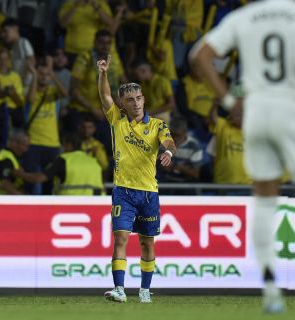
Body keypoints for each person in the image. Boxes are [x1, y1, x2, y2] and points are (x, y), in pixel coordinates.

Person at [190, 0, 295, 314]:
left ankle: (270, 292)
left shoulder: (245, 16)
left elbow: (200, 55)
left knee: (265, 198)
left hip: (258, 112)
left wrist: (227, 101)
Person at [97, 55, 175, 303]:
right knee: (120, 237)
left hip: (148, 192)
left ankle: (144, 291)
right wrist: (103, 74)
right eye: (130, 100)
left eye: (139, 98)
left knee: (147, 244)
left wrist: (168, 152)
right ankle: (119, 290)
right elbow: (104, 96)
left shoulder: (157, 125)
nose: (136, 103)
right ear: (123, 103)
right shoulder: (117, 120)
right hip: (123, 190)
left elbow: (169, 141)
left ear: (144, 99)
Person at [22, 58, 68, 195]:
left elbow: (64, 94)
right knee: (29, 181)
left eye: (46, 74)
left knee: (49, 182)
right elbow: (29, 100)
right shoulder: (29, 89)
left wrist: (53, 75)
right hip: (33, 143)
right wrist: (34, 76)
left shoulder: (52, 90)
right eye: (41, 74)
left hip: (52, 143)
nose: (44, 77)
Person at [13, 132, 104, 195]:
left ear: (69, 145)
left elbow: (38, 178)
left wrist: (20, 174)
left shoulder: (63, 160)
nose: (62, 148)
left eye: (63, 144)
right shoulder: (93, 161)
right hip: (97, 206)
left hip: (71, 204)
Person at [0, 129, 30, 195]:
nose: (25, 149)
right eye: (23, 145)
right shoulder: (5, 158)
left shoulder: (14, 157)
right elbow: (5, 183)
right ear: (13, 143)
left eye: (27, 146)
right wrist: (22, 198)